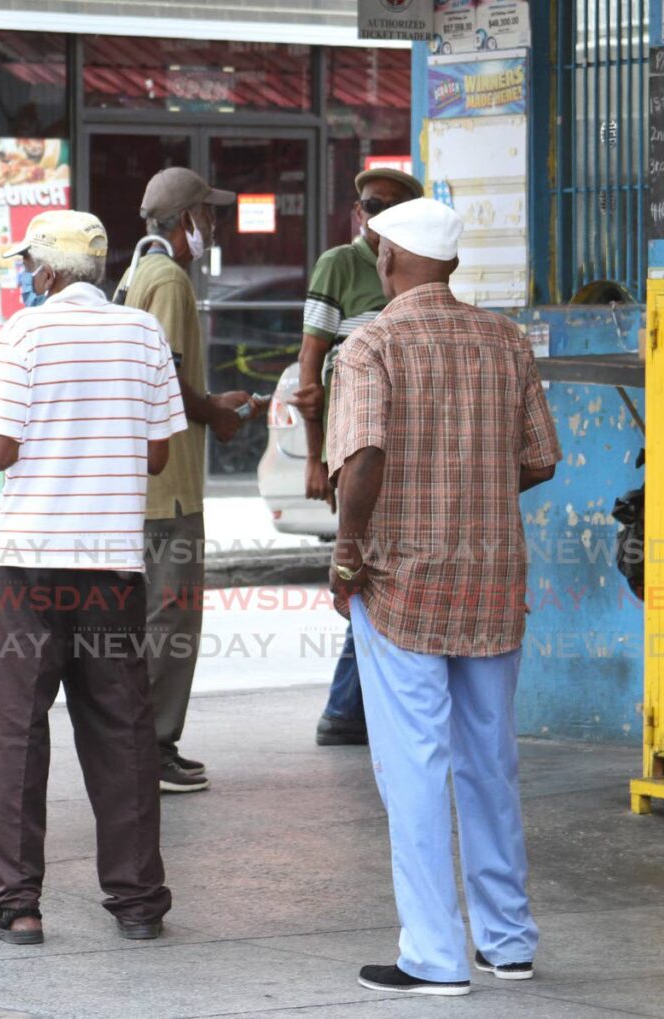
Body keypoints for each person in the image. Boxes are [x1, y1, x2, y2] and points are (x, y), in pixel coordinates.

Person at [326, 198, 561, 996]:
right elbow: (540, 459)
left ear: (388, 259)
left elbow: (361, 456)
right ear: (450, 264)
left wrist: (348, 553)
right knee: (489, 760)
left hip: (401, 583)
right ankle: (507, 939)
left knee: (414, 764)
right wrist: (476, 489)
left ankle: (434, 954)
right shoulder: (506, 341)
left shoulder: (372, 344)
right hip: (492, 577)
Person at [0, 210, 185, 945]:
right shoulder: (143, 332)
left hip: (28, 567)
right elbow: (158, 457)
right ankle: (138, 902)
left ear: (48, 270)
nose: (28, 274)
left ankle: (17, 906)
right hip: (112, 568)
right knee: (123, 732)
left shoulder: (25, 333)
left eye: (30, 263)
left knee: (15, 732)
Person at [122, 166, 262, 793]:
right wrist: (219, 413)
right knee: (171, 621)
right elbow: (168, 382)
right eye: (210, 215)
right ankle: (153, 749)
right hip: (169, 484)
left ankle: (138, 745)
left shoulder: (136, 273)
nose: (215, 226)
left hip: (142, 483)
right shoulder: (171, 280)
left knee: (149, 620)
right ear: (187, 222)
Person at [290, 167, 423, 748]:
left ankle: (351, 709)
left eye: (392, 208)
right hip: (355, 442)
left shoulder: (416, 271)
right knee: (366, 564)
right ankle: (345, 709)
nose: (378, 216)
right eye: (371, 205)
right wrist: (315, 458)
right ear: (357, 210)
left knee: (386, 564)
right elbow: (311, 369)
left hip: (408, 443)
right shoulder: (338, 265)